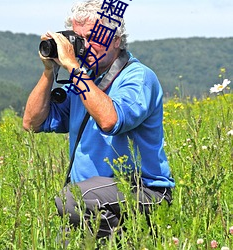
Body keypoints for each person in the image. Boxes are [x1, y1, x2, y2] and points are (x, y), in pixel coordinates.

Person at [23, 0, 175, 244]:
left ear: (116, 39)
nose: (84, 47)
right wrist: (49, 71)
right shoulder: (83, 81)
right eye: (78, 38)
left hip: (143, 192)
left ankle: (129, 241)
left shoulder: (138, 77)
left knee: (71, 200)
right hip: (93, 199)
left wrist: (73, 67)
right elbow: (32, 123)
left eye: (92, 37)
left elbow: (110, 120)